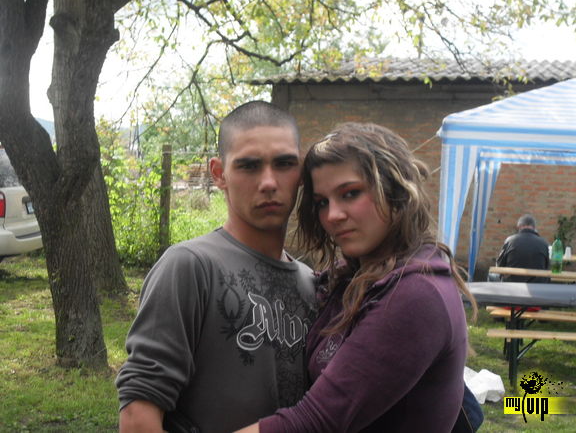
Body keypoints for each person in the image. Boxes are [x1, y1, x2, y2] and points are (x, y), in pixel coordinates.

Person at [236, 122, 478, 433]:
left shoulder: (415, 294)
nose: (333, 215)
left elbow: (315, 423)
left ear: (394, 190)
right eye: (322, 202)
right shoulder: (357, 276)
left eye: (350, 193)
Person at [115, 101, 317, 433]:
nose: (269, 182)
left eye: (284, 164)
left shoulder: (313, 284)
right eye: (249, 166)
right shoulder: (190, 267)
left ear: (301, 173)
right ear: (219, 174)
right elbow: (138, 418)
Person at [496, 214, 550, 282]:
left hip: (512, 284)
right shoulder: (544, 243)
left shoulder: (510, 241)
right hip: (537, 285)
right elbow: (547, 266)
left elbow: (499, 264)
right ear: (534, 227)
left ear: (519, 226)